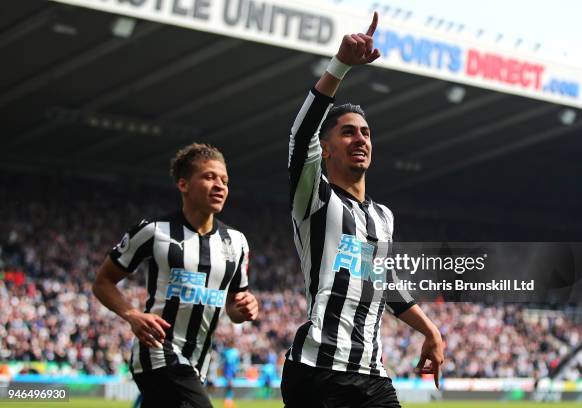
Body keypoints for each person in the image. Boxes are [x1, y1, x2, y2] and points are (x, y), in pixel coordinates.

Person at [281, 12, 445, 408]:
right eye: (348, 131)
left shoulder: (382, 217)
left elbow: (385, 283)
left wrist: (431, 331)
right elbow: (300, 136)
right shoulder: (315, 199)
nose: (360, 139)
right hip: (318, 372)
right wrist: (339, 66)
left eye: (366, 133)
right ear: (328, 147)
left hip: (372, 375)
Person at [93, 143, 259, 408]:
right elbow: (103, 282)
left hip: (198, 364)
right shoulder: (153, 231)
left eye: (224, 180)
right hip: (157, 354)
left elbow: (234, 308)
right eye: (209, 177)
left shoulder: (237, 242)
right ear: (183, 185)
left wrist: (245, 307)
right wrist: (132, 315)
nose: (220, 186)